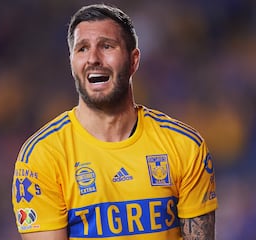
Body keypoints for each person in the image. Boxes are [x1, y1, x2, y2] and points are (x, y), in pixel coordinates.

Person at [12, 3, 217, 240]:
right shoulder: (42, 156)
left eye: (107, 46)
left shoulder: (185, 146)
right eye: (82, 49)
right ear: (72, 63)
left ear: (133, 61)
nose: (93, 58)